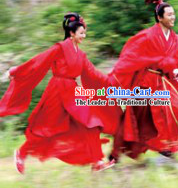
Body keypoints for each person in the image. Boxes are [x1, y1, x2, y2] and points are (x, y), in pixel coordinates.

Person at [0, 12, 121, 173]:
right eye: (81, 33)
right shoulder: (60, 48)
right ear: (71, 33)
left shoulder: (81, 55)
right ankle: (21, 153)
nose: (84, 36)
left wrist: (115, 80)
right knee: (46, 128)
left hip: (73, 92)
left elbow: (93, 74)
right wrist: (16, 71)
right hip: (57, 91)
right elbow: (39, 61)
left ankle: (97, 161)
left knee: (91, 122)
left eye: (85, 33)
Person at [108, 0, 178, 162]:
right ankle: (115, 153)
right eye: (169, 14)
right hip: (144, 82)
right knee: (135, 118)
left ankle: (166, 149)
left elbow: (176, 59)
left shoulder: (174, 38)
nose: (173, 17)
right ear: (159, 17)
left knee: (173, 110)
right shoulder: (147, 36)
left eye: (173, 14)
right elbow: (132, 56)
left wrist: (176, 69)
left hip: (161, 83)